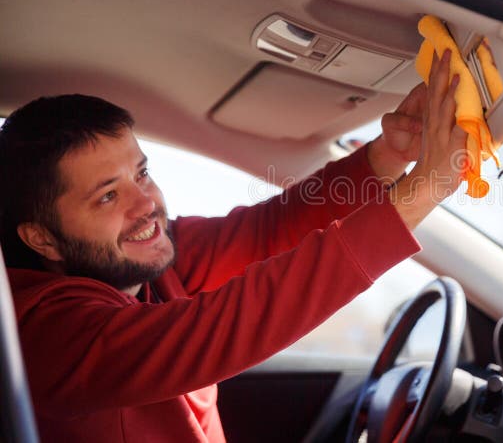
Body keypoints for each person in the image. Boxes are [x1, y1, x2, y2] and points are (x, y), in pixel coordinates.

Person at [0, 51, 465, 442]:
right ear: (41, 238)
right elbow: (231, 323)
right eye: (107, 195)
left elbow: (268, 231)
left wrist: (388, 157)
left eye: (141, 174)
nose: (147, 204)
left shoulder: (147, 259)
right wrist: (423, 189)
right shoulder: (42, 334)